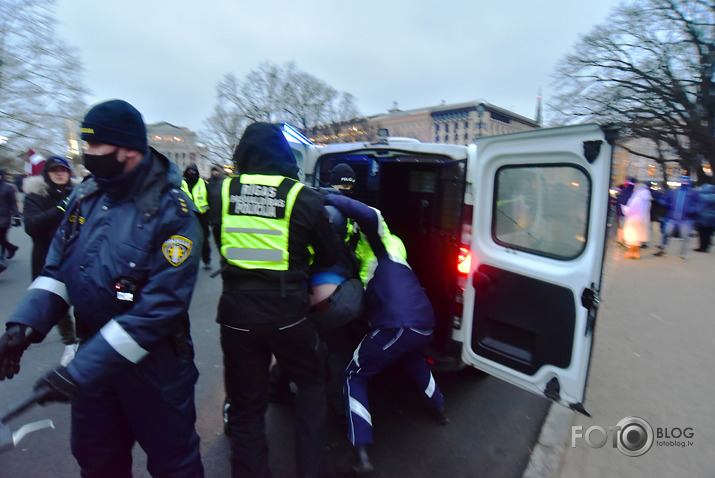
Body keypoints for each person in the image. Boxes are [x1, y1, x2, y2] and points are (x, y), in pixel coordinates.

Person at [0, 99, 205, 477]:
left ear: (129, 150)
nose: (85, 153)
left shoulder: (173, 212)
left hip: (155, 369)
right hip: (94, 362)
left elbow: (158, 311)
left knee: (173, 464)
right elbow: (57, 271)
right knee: (96, 460)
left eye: (94, 145)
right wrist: (23, 327)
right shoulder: (85, 197)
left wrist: (80, 370)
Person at [216, 122, 340, 478]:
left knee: (246, 409)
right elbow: (329, 255)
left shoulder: (222, 192)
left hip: (237, 315)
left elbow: (221, 239)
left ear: (242, 155)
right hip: (288, 314)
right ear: (284, 156)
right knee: (312, 385)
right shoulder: (304, 197)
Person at [324, 193, 448, 474]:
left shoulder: (384, 244)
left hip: (397, 324)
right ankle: (439, 407)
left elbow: (370, 216)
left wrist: (325, 196)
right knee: (411, 358)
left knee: (354, 374)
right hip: (422, 323)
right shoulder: (382, 255)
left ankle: (361, 451)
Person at [23, 156, 80, 365]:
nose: (60, 174)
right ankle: (70, 343)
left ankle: (84, 342)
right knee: (57, 307)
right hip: (47, 259)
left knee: (84, 303)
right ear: (47, 173)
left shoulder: (79, 194)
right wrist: (62, 208)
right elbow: (32, 226)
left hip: (76, 258)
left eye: (63, 170)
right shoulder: (36, 196)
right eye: (55, 170)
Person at [653, 175, 699, 261]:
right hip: (672, 218)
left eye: (686, 181)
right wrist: (660, 200)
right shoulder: (674, 191)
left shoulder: (693, 192)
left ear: (689, 182)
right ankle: (662, 250)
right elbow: (666, 200)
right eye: (682, 180)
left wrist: (693, 209)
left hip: (685, 219)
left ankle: (682, 255)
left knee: (685, 237)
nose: (684, 182)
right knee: (666, 234)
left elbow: (699, 203)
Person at [181, 164, 211, 269]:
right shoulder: (182, 184)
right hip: (186, 216)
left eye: (194, 171)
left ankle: (207, 260)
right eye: (190, 171)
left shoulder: (203, 183)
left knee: (204, 239)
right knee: (186, 239)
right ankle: (187, 262)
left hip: (202, 216)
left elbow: (210, 198)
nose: (192, 173)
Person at [621, 182, 652, 259]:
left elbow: (630, 210)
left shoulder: (636, 199)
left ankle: (630, 253)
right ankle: (636, 253)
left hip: (633, 220)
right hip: (642, 220)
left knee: (631, 237)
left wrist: (624, 208)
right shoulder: (647, 199)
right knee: (637, 238)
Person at [0, 168, 21, 262]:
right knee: (1, 238)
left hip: (4, 216)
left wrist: (16, 216)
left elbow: (13, 203)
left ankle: (2, 255)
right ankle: (11, 248)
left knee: (2, 237)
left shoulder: (8, 188)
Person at [206, 164, 226, 252]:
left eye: (217, 171)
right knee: (217, 239)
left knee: (224, 239)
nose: (215, 172)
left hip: (223, 216)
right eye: (214, 171)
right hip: (214, 215)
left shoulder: (225, 182)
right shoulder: (208, 183)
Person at [693, 179, 715, 252]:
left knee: (702, 233)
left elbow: (697, 206)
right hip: (712, 218)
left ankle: (703, 247)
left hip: (702, 217)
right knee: (709, 232)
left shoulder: (700, 196)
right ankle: (708, 245)